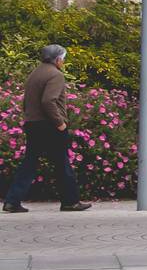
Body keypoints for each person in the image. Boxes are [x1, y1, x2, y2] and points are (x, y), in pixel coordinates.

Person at [4, 44, 92, 213]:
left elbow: (27, 101)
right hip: (49, 125)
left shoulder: (35, 73)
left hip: (33, 123)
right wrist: (60, 123)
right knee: (62, 163)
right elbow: (48, 101)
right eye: (63, 59)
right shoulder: (55, 75)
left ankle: (12, 201)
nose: (63, 63)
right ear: (58, 59)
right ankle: (70, 201)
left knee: (29, 163)